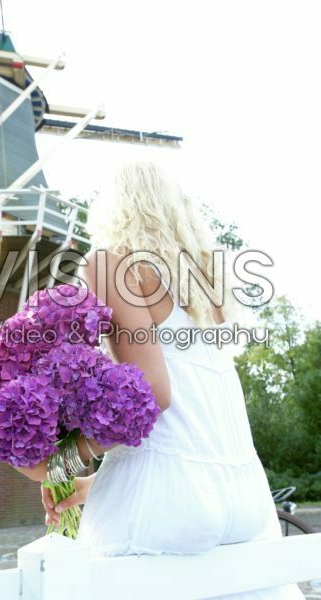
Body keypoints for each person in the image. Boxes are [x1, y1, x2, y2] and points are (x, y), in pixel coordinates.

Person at [20, 159, 305, 599]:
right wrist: (89, 487)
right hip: (245, 495)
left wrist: (58, 465)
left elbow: (152, 395)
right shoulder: (206, 291)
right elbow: (196, 418)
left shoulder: (113, 264)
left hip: (165, 500)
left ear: (113, 210)